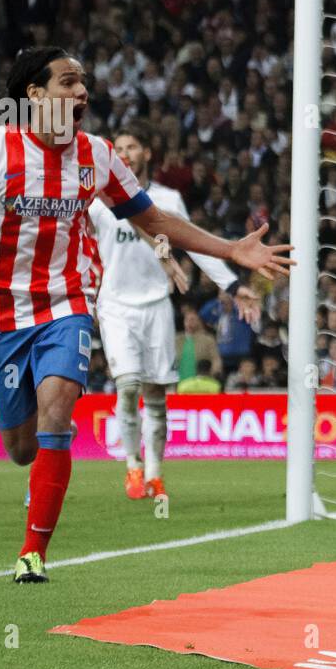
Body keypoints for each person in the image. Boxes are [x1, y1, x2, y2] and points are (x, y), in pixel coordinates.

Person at [0, 47, 294, 584]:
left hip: (69, 304)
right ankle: (44, 445)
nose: (81, 93)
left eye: (83, 84)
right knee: (19, 448)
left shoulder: (97, 155)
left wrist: (230, 251)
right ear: (34, 94)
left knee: (57, 409)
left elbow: (154, 219)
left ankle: (33, 553)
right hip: (0, 314)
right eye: (67, 82)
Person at [89, 126, 258, 501]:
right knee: (128, 385)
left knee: (156, 394)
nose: (126, 153)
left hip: (156, 306)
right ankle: (132, 464)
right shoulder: (99, 201)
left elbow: (196, 245)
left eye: (133, 145)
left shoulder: (167, 199)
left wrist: (231, 284)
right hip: (115, 306)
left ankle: (155, 473)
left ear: (147, 153)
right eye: (119, 148)